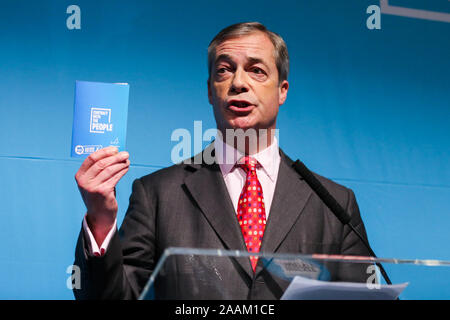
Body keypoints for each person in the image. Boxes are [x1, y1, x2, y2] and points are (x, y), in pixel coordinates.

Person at [73, 22, 371, 300]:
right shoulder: (157, 195)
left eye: (256, 70)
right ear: (209, 91)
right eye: (224, 71)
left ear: (282, 90)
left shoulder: (335, 204)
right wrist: (100, 220)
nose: (238, 82)